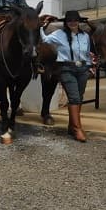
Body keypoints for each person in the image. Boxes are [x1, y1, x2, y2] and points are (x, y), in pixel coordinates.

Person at [39, 10, 93, 142]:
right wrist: (41, 26)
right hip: (66, 68)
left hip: (83, 68)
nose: (73, 23)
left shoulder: (85, 36)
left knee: (79, 98)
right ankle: (77, 129)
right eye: (70, 20)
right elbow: (45, 39)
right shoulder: (59, 34)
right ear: (66, 22)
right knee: (74, 98)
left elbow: (86, 53)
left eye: (75, 20)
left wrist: (90, 66)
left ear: (79, 21)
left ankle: (71, 126)